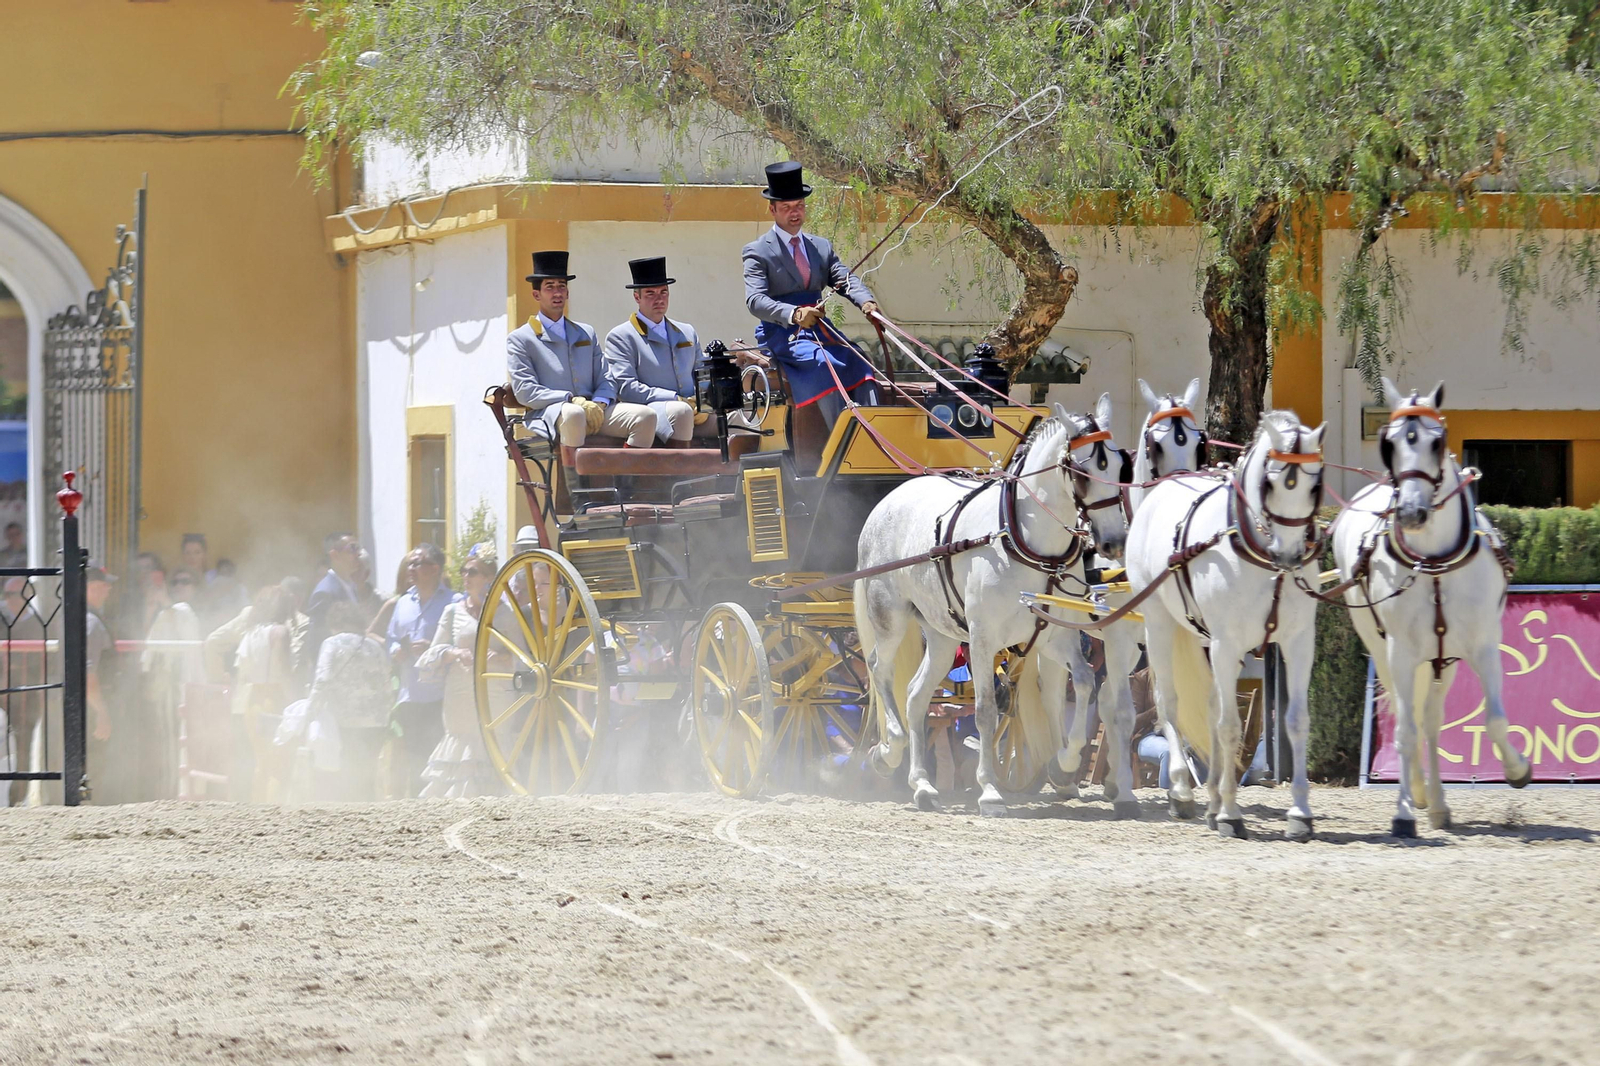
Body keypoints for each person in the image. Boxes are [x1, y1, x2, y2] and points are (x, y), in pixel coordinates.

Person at [742, 161, 882, 428]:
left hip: (820, 329)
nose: (794, 213)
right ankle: (844, 440)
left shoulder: (820, 246)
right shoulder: (757, 251)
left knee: (860, 362)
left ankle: (873, 434)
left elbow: (844, 278)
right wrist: (794, 314)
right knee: (824, 364)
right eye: (786, 208)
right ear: (772, 209)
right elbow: (755, 301)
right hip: (783, 333)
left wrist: (866, 302)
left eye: (799, 206)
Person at [506, 250, 657, 472]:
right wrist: (571, 400)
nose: (557, 293)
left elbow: (606, 376)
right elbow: (525, 391)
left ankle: (626, 486)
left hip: (593, 409)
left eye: (561, 287)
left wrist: (601, 402)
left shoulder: (585, 333)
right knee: (574, 414)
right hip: (551, 413)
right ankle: (578, 496)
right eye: (550, 287)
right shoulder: (521, 339)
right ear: (536, 295)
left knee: (645, 416)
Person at [276, 599, 393, 802]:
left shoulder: (332, 643)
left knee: (344, 775)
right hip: (375, 722)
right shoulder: (375, 646)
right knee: (366, 775)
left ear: (334, 623)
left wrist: (309, 712)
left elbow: (322, 679)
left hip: (343, 721)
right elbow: (386, 684)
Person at [602, 256, 712, 448]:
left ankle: (737, 474)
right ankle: (681, 474)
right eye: (650, 294)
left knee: (741, 416)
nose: (659, 299)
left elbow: (702, 373)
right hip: (654, 408)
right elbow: (626, 388)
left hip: (693, 407)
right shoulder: (621, 336)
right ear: (637, 297)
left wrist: (702, 400)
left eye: (663, 292)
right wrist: (674, 398)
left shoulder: (686, 331)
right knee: (680, 411)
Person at [417, 544, 498, 798]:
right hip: (459, 692)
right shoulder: (452, 611)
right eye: (464, 572)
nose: (466, 577)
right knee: (461, 740)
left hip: (494, 693)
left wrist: (499, 658)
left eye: (473, 572)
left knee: (489, 742)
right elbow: (432, 653)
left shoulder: (504, 611)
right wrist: (454, 653)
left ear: (488, 577)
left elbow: (522, 654)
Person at [385, 543, 459, 793]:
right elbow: (391, 638)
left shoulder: (454, 601)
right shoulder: (403, 602)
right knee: (414, 755)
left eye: (417, 563)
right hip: (410, 693)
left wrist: (435, 647)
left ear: (434, 568)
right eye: (410, 563)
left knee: (439, 755)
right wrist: (395, 650)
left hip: (442, 693)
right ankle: (416, 806)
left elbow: (464, 642)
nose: (411, 568)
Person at [142, 566, 204, 801]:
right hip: (170, 690)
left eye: (185, 581)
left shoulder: (185, 610)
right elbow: (149, 649)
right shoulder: (167, 612)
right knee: (168, 745)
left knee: (186, 746)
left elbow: (182, 623)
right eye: (175, 582)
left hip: (188, 688)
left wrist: (164, 603)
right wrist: (152, 608)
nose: (179, 586)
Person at [231, 584, 294, 801]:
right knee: (279, 765)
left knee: (262, 763)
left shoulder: (250, 633)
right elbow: (281, 672)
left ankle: (257, 811)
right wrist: (296, 701)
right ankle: (274, 815)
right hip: (274, 700)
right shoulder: (280, 632)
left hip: (253, 701)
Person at [1, 576, 48, 805]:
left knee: (23, 744)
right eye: (7, 594)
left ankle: (17, 799)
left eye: (15, 594)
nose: (10, 599)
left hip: (25, 694)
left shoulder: (39, 623)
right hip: (5, 691)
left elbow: (44, 662)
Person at [83, 567, 119, 801]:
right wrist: (102, 711)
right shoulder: (91, 622)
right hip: (91, 706)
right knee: (94, 768)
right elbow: (88, 674)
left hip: (88, 703)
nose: (108, 589)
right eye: (102, 585)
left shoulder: (87, 618)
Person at [307, 532, 362, 654]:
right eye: (352, 549)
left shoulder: (351, 586)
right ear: (335, 555)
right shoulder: (324, 592)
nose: (358, 554)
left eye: (358, 548)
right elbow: (316, 642)